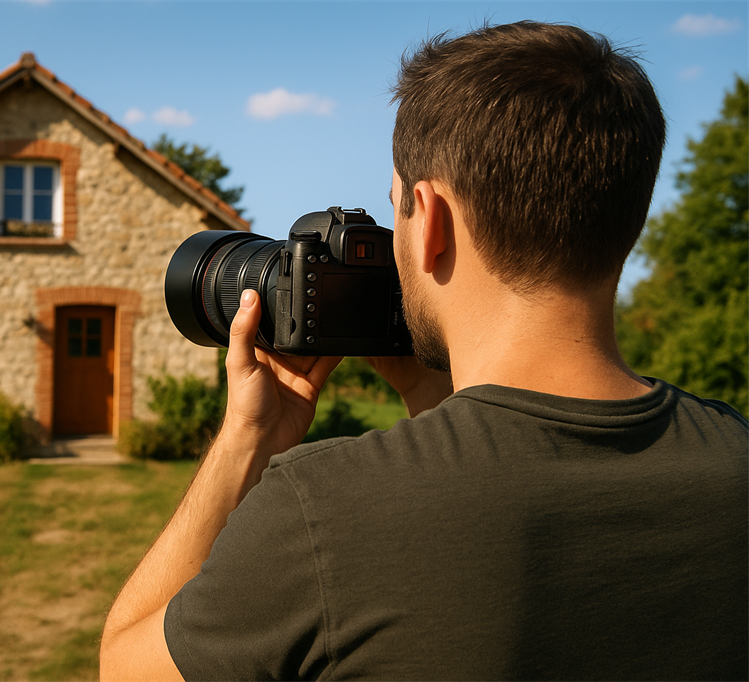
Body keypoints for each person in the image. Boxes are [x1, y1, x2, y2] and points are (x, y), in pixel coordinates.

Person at [100, 21, 749, 681]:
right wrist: (424, 386)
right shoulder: (734, 454)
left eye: (396, 213)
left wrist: (247, 437)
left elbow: (123, 665)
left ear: (430, 219)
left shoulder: (324, 511)